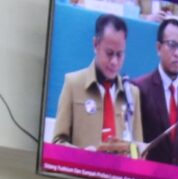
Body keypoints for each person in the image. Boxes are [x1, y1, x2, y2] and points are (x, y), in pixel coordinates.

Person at [51, 13, 145, 151]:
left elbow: (138, 150)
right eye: (109, 53)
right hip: (81, 170)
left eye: (119, 54)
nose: (114, 62)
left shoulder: (132, 93)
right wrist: (84, 155)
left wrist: (134, 155)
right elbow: (57, 143)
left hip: (119, 172)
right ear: (95, 44)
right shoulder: (73, 83)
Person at [133, 14, 178, 167]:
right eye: (171, 45)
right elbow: (131, 141)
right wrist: (134, 157)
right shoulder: (139, 88)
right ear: (158, 48)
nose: (177, 53)